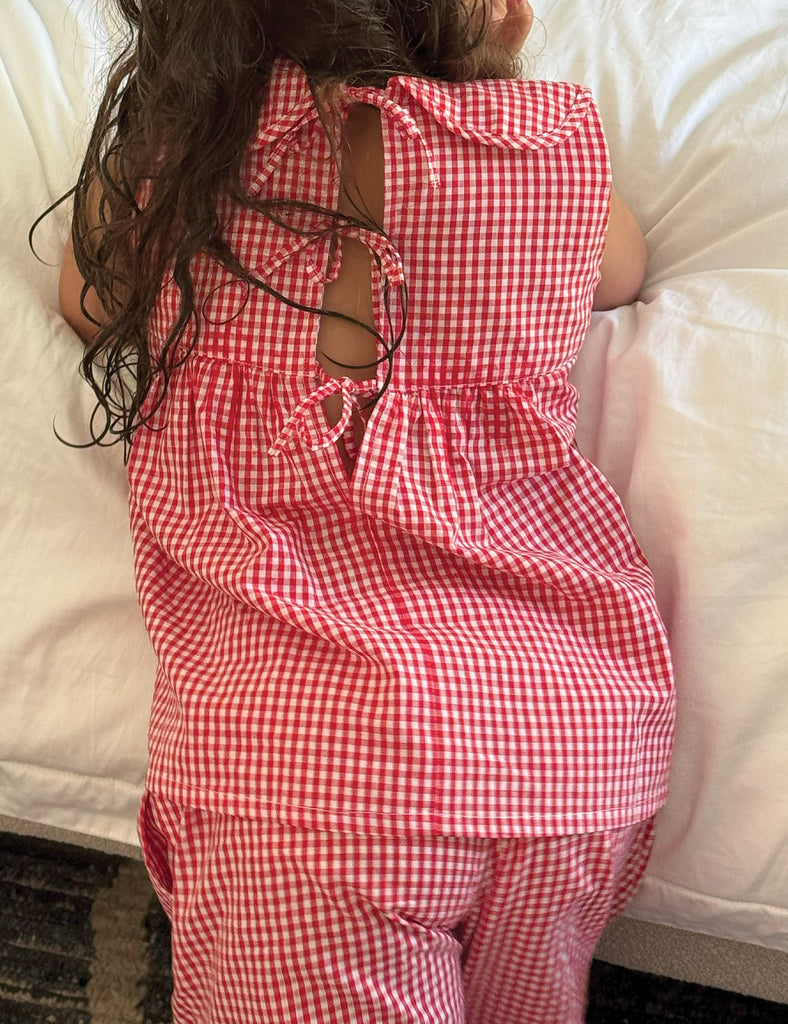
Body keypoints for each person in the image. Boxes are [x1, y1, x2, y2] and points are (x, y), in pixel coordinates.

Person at [59, 2, 675, 1021]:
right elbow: (621, 269)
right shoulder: (552, 149)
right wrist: (484, 83)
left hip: (314, 770)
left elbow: (85, 292)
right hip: (566, 747)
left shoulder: (181, 175)